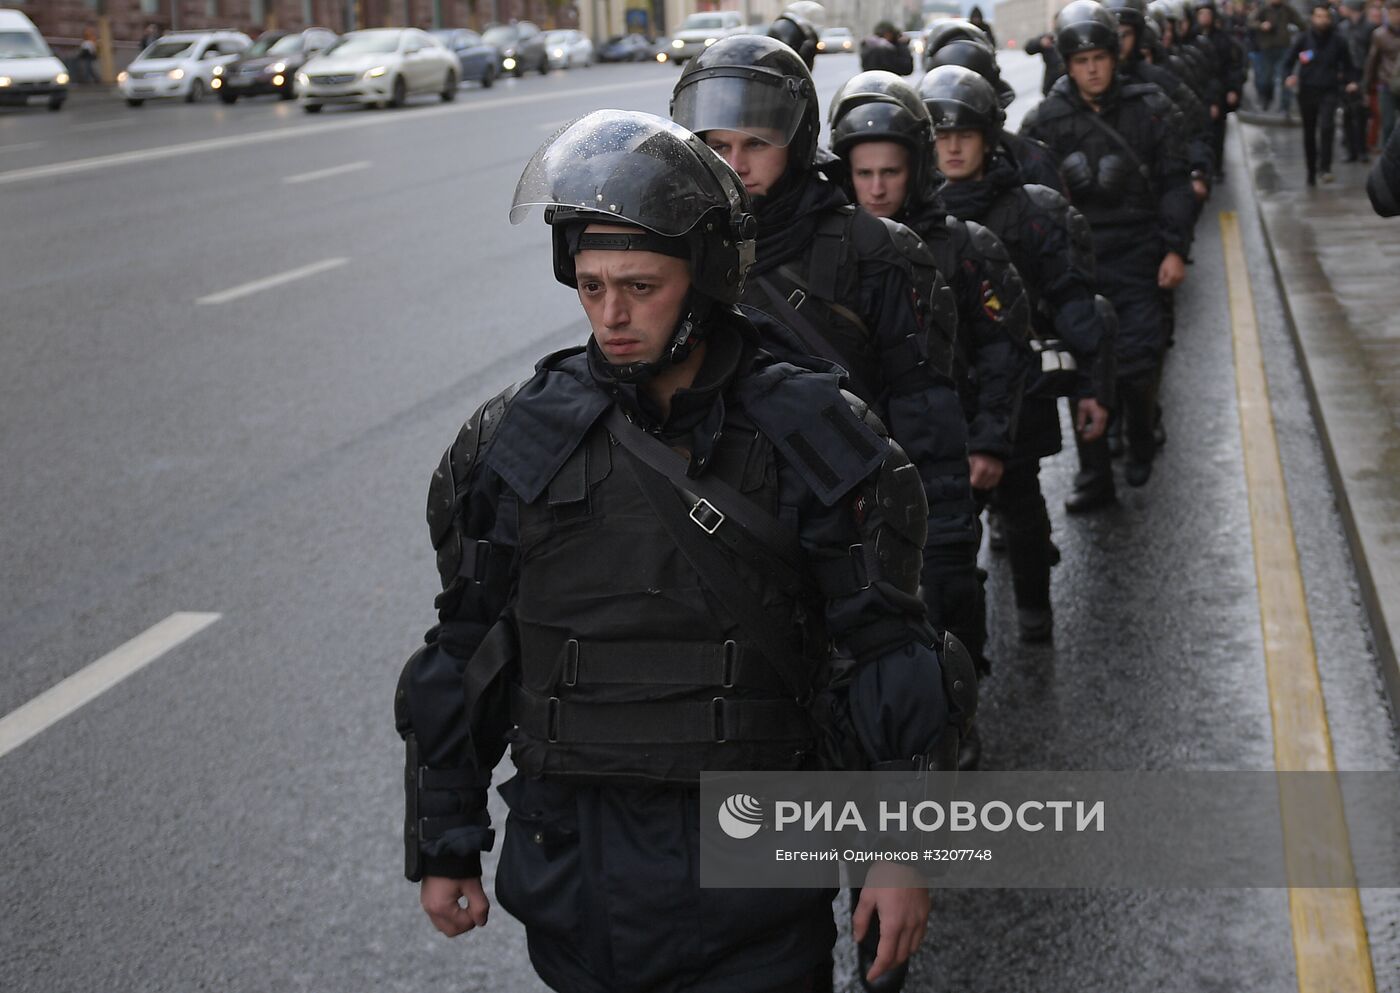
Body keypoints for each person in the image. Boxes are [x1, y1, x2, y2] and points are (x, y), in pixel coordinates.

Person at [396, 108, 974, 993]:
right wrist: (446, 843)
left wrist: (898, 856)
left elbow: (884, 654)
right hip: (574, 871)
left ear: (704, 282)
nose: (612, 315)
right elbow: (465, 650)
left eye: (639, 285)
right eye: (591, 287)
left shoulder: (808, 429)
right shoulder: (520, 437)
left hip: (750, 874)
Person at [670, 35, 986, 683]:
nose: (735, 164)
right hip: (729, 535)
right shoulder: (675, 253)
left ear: (797, 141)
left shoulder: (877, 252)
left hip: (853, 530)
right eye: (717, 146)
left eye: (757, 143)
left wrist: (943, 552)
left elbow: (925, 412)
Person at [925, 64, 1115, 642]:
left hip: (1015, 390)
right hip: (938, 397)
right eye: (940, 135)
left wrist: (1092, 388)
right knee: (946, 537)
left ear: (989, 138)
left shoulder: (1030, 212)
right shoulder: (908, 216)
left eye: (965, 134)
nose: (952, 147)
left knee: (1023, 507)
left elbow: (1074, 304)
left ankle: (1035, 613)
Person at [1021, 0, 1195, 507]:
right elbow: (1031, 203)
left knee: (1139, 365)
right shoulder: (1046, 122)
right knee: (1081, 371)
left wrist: (1174, 249)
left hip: (1140, 255)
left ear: (1115, 57)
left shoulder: (1151, 108)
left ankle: (1141, 435)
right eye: (1081, 61)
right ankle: (1095, 476)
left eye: (1099, 57)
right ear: (1068, 65)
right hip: (1077, 266)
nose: (1092, 69)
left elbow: (1174, 184)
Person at [1285, 1, 1362, 185]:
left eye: (1325, 17)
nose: (1322, 20)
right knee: (1309, 131)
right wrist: (1289, 76)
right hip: (1307, 90)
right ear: (1313, 18)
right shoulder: (1303, 39)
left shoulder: (1338, 41)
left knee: (1327, 127)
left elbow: (1349, 65)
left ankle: (1325, 167)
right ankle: (1311, 169)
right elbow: (1288, 62)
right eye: (1318, 16)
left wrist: (1351, 81)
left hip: (1329, 89)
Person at [1191, 0, 1247, 177]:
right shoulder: (1192, 39)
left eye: (1207, 13)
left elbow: (1232, 66)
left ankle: (1216, 167)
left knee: (1217, 132)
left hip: (1218, 92)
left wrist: (1232, 89)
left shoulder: (1223, 39)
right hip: (1197, 95)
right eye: (1201, 14)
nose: (1204, 17)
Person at [1249, 0, 1306, 113]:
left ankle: (1285, 106)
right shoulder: (1263, 9)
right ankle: (1266, 99)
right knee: (1265, 78)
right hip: (1266, 48)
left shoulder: (1287, 9)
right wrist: (1261, 25)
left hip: (1283, 48)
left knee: (1285, 76)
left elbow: (1301, 24)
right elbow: (1250, 22)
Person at [1364, 0, 1400, 143]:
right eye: (1392, 13)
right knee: (1388, 123)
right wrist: (1367, 86)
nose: (1396, 16)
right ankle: (1388, 160)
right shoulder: (1379, 35)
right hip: (1386, 82)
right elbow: (1373, 61)